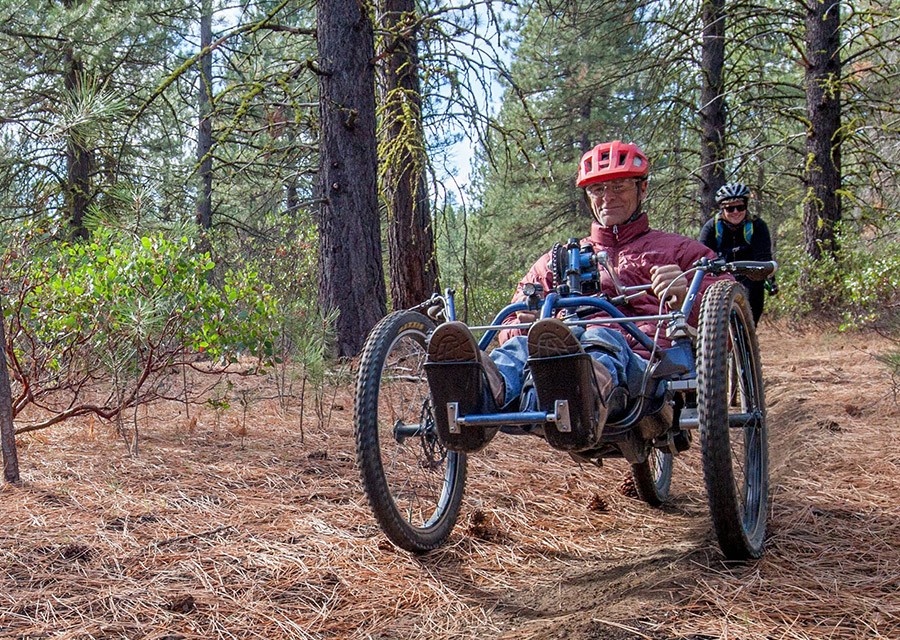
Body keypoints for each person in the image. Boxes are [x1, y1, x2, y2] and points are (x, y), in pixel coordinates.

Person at [424, 140, 729, 453]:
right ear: (587, 196)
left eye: (620, 186)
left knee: (601, 339)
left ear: (643, 189)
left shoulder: (678, 251)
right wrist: (522, 325)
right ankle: (480, 390)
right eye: (597, 190)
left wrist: (684, 298)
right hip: (554, 363)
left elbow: (728, 314)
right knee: (518, 346)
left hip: (643, 364)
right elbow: (514, 314)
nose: (607, 198)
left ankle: (581, 393)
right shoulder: (561, 259)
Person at [699, 183, 775, 324]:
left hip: (750, 275)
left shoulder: (757, 226)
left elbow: (763, 257)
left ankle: (747, 340)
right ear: (722, 209)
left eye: (740, 207)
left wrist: (770, 277)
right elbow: (703, 257)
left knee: (751, 312)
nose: (735, 212)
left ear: (746, 206)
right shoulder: (711, 227)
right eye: (729, 208)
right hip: (722, 275)